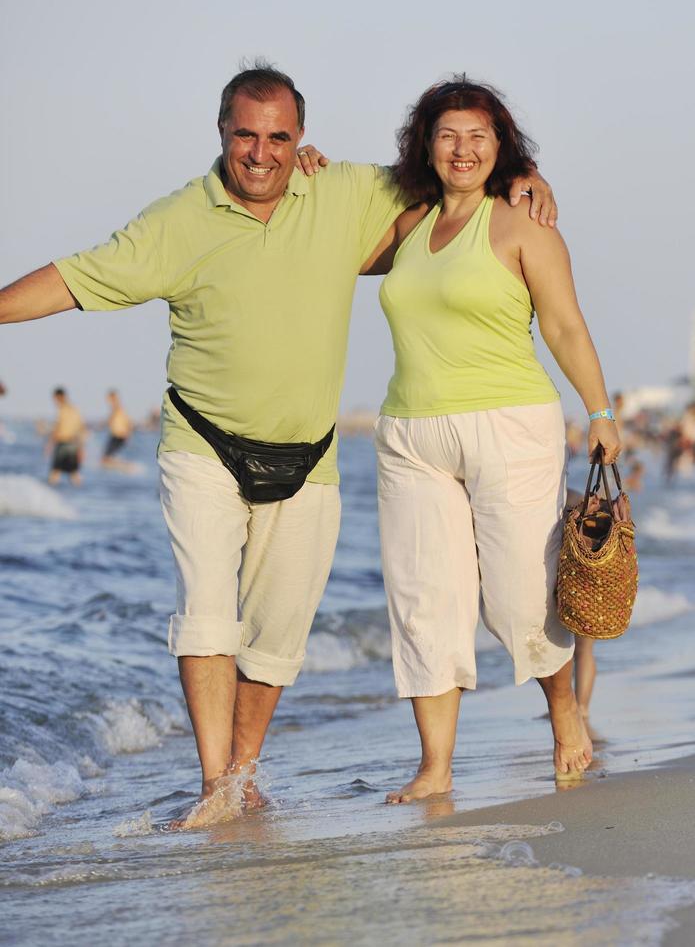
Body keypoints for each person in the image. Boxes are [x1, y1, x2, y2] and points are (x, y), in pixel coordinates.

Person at [0, 64, 557, 827]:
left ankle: (244, 773)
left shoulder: (343, 192)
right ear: (221, 132)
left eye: (277, 137)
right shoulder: (175, 220)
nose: (260, 153)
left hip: (307, 456)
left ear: (300, 140)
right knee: (206, 614)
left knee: (277, 634)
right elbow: (72, 278)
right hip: (201, 442)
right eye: (245, 135)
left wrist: (525, 173)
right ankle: (213, 786)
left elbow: (452, 173)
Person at [362, 77, 620, 801]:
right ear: (426, 145)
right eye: (447, 135)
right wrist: (311, 166)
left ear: (500, 145)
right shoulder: (409, 223)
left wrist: (598, 410)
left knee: (515, 598)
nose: (462, 149)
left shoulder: (519, 222)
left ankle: (563, 712)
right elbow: (333, 243)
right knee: (422, 603)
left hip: (509, 424)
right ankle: (434, 766)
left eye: (477, 136)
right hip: (410, 430)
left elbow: (564, 325)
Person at [47, 386, 86, 485]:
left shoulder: (62, 409)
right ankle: (80, 495)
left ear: (59, 397)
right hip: (74, 445)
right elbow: (81, 429)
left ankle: (49, 497)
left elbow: (58, 427)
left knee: (55, 473)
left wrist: (50, 444)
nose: (54, 401)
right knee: (74, 474)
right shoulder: (75, 410)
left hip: (63, 443)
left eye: (55, 399)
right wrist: (81, 448)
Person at [101, 389, 133, 469]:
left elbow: (127, 422)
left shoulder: (117, 407)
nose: (107, 400)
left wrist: (128, 434)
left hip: (119, 436)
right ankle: (119, 464)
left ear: (112, 398)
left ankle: (123, 465)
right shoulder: (115, 408)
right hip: (116, 435)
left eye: (108, 398)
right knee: (107, 456)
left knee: (105, 457)